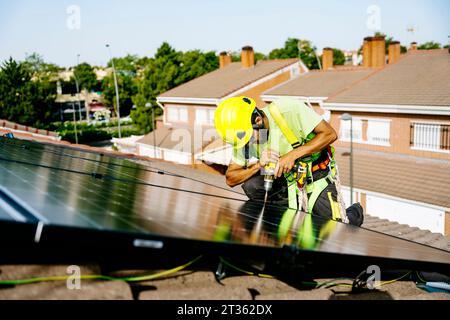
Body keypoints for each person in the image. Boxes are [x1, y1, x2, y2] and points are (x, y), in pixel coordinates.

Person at [214, 96, 363, 226]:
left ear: (258, 120)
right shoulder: (243, 136)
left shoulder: (287, 109)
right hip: (286, 180)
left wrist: (291, 156)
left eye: (249, 139)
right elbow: (231, 178)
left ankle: (354, 213)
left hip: (317, 175)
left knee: (337, 228)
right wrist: (258, 165)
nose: (248, 145)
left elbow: (329, 134)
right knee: (252, 186)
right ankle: (288, 216)